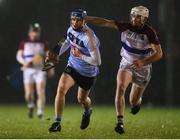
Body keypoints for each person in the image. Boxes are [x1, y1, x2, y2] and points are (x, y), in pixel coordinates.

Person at [87, 6, 163, 134]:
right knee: (121, 87)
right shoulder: (125, 26)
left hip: (143, 68)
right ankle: (120, 122)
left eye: (138, 17)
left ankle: (137, 103)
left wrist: (143, 62)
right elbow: (105, 22)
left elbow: (159, 53)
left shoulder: (150, 33)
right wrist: (86, 18)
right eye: (133, 15)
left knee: (133, 100)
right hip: (126, 63)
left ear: (145, 19)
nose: (134, 19)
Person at [48, 9, 101, 132]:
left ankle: (88, 111)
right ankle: (57, 123)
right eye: (73, 19)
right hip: (72, 66)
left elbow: (97, 61)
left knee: (82, 100)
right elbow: (66, 41)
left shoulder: (89, 38)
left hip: (88, 73)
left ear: (84, 21)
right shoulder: (71, 29)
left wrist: (80, 55)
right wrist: (56, 53)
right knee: (61, 89)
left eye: (78, 20)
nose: (75, 22)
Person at [16, 23, 54, 119]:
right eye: (33, 31)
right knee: (29, 94)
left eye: (37, 32)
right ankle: (30, 105)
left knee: (40, 90)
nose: (35, 34)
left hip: (39, 69)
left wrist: (50, 68)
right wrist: (24, 62)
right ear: (29, 33)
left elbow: (48, 57)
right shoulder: (24, 43)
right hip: (28, 70)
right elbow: (19, 56)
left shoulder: (43, 43)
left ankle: (40, 111)